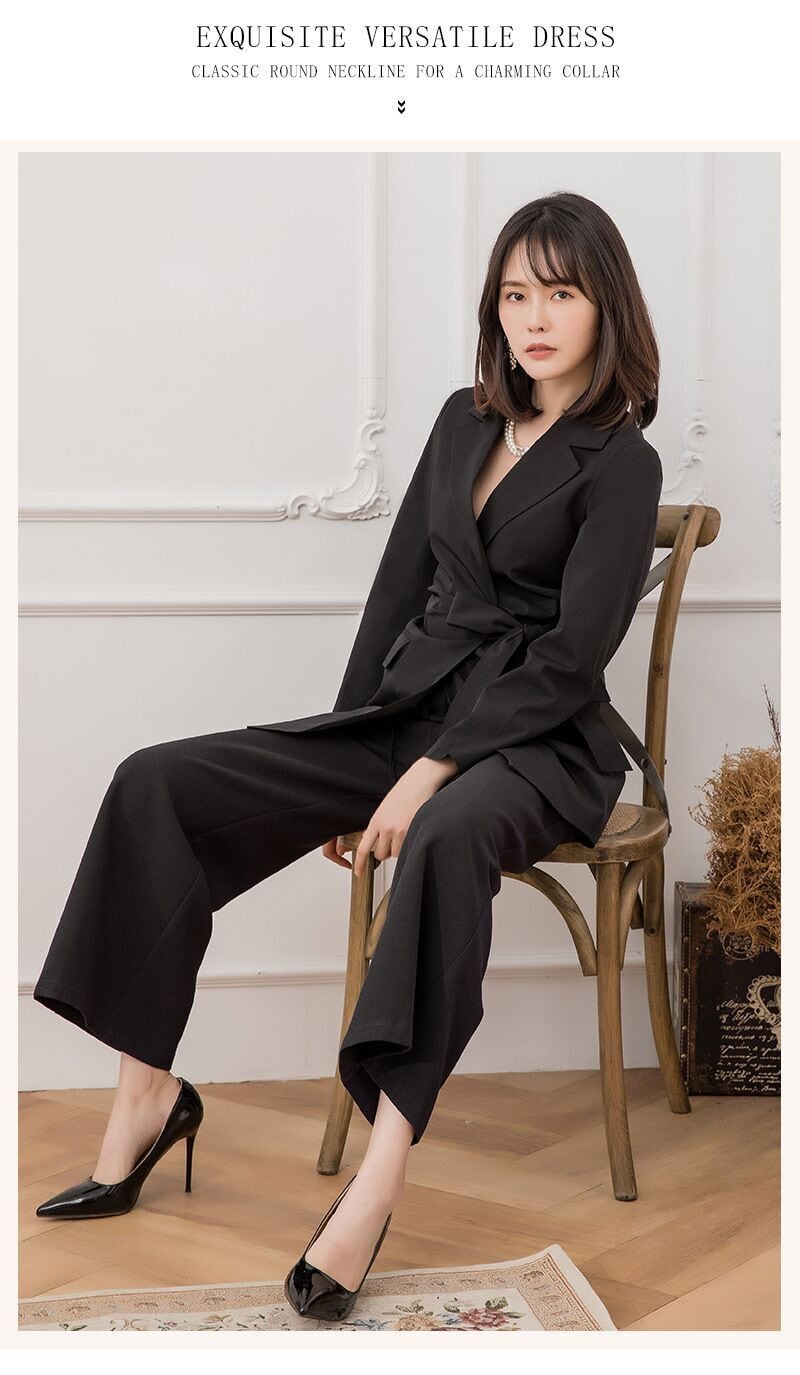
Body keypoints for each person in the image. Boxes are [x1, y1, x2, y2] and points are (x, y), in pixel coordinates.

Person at [31, 189, 663, 1322]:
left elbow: (572, 658)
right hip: (408, 707)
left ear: (603, 305)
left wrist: (429, 772)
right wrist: (350, 751)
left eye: (560, 294)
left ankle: (377, 1181)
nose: (533, 318)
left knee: (446, 832)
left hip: (539, 739)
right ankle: (146, 1094)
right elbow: (395, 591)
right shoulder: (461, 420)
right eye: (515, 294)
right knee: (155, 780)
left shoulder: (621, 463)